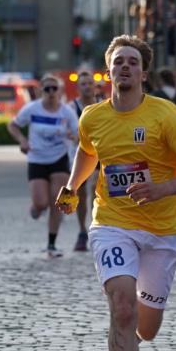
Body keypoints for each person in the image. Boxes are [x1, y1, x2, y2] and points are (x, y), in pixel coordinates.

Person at [55, 36, 176, 351]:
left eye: (132, 62)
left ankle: (131, 341)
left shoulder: (165, 115)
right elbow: (89, 152)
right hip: (112, 223)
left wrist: (162, 189)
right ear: (109, 71)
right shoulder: (92, 117)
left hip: (163, 232)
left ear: (143, 72)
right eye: (118, 61)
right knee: (122, 307)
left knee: (147, 327)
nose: (125, 67)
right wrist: (72, 187)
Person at [8, 74, 78, 258]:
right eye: (47, 89)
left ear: (59, 91)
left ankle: (51, 245)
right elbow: (12, 125)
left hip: (60, 159)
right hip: (37, 158)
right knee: (41, 203)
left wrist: (74, 137)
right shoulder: (32, 108)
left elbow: (79, 134)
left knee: (58, 203)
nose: (51, 92)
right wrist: (22, 140)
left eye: (55, 88)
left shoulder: (66, 112)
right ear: (41, 91)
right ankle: (36, 208)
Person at [70, 70, 98, 252]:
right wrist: (73, 136)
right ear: (78, 88)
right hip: (81, 154)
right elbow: (68, 128)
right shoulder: (72, 107)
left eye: (90, 83)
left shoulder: (103, 104)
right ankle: (82, 230)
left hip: (101, 154)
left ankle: (96, 226)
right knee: (80, 192)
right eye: (83, 84)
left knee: (96, 186)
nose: (87, 87)